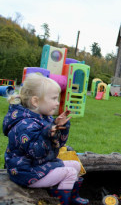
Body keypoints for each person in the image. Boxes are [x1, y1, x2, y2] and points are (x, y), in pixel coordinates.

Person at [2, 73, 89, 205]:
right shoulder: (24, 125)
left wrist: (62, 128)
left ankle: (70, 196)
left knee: (76, 165)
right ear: (35, 101)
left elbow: (57, 145)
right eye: (53, 98)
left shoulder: (43, 118)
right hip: (25, 172)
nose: (57, 103)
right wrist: (46, 133)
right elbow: (36, 153)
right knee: (70, 172)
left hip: (38, 166)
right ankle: (60, 201)